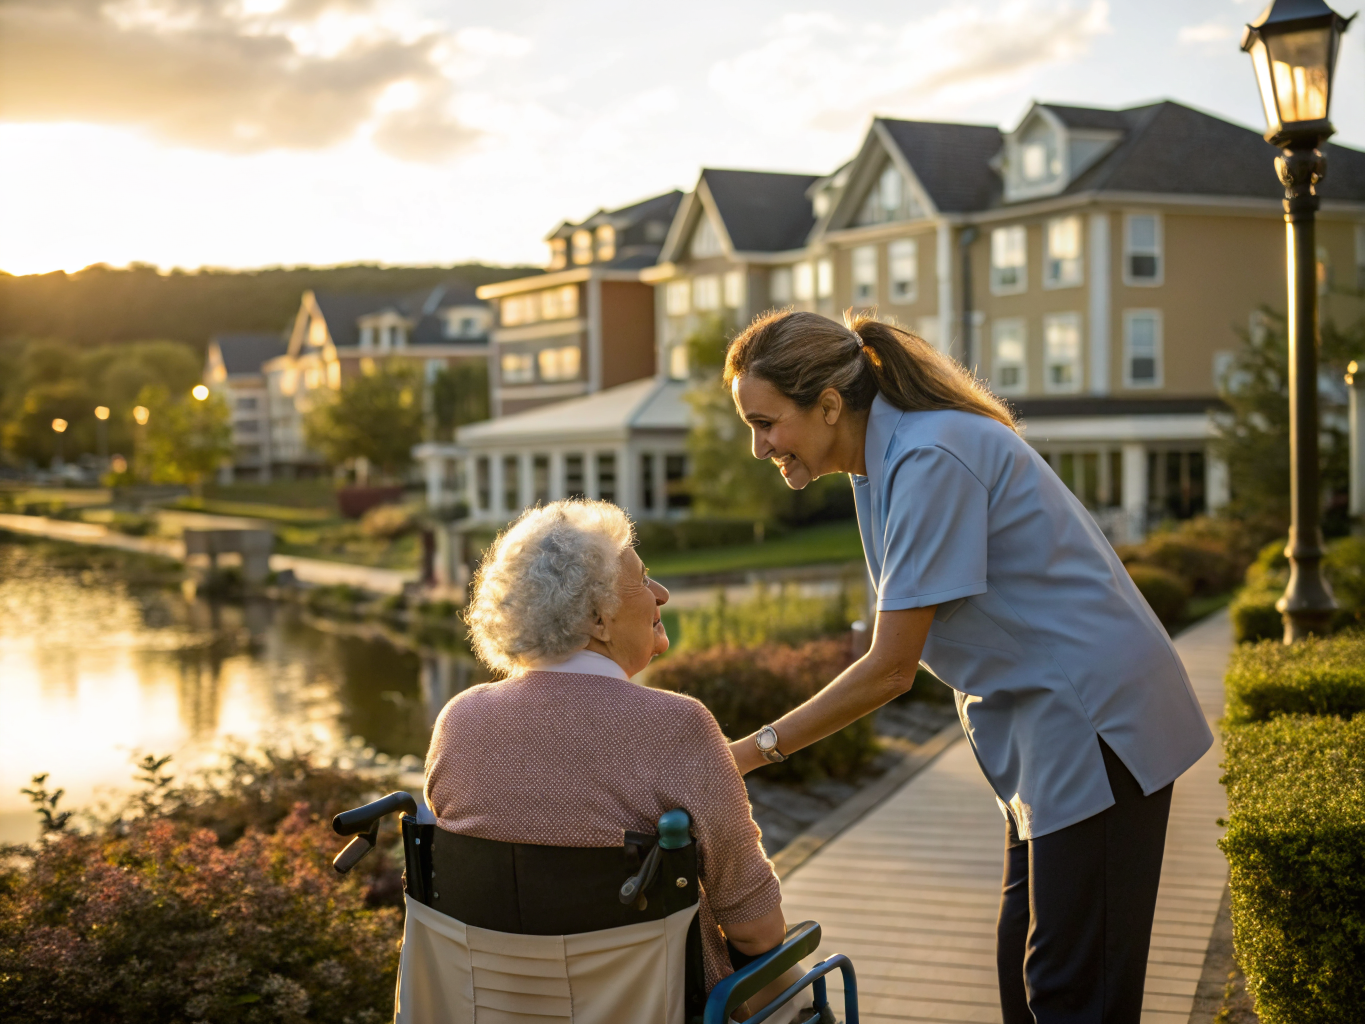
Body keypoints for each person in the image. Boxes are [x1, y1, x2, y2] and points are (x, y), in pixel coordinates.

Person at [722, 310, 1213, 1023]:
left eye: (765, 422)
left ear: (827, 405)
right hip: (1036, 729)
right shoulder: (881, 465)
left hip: (1094, 722)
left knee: (1072, 990)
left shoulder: (928, 457)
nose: (757, 445)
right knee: (1028, 974)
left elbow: (890, 669)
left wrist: (745, 753)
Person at [424, 499, 801, 1021]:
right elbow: (757, 931)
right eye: (644, 580)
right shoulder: (677, 726)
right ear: (599, 619)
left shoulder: (460, 722)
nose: (661, 594)